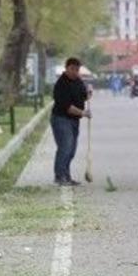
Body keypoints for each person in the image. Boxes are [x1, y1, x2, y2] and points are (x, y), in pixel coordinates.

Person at [51, 57, 91, 186]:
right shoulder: (61, 84)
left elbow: (83, 96)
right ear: (66, 68)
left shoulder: (78, 81)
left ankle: (66, 176)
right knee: (65, 147)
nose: (74, 72)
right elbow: (67, 107)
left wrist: (88, 93)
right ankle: (60, 176)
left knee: (72, 150)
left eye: (77, 70)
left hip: (74, 121)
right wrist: (83, 113)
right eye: (72, 69)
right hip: (61, 119)